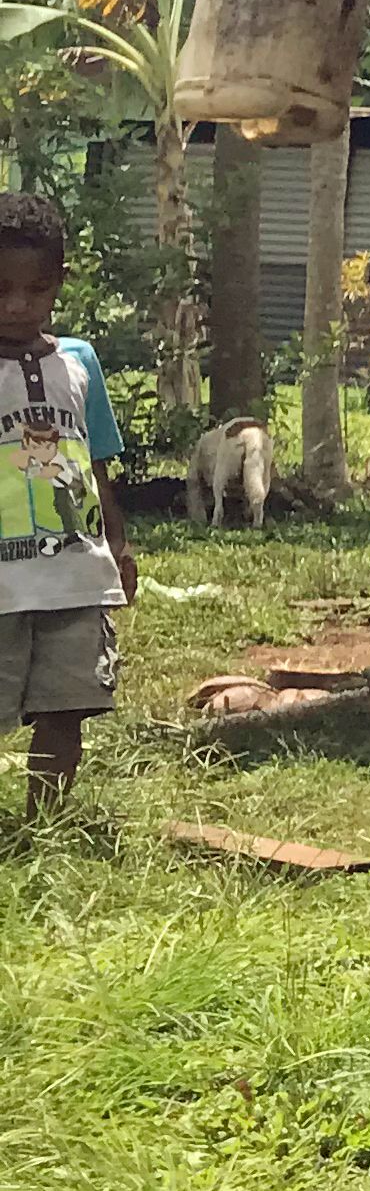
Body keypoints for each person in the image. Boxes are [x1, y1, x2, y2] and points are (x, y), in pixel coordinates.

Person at [0, 192, 134, 813]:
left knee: (66, 707)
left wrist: (120, 547)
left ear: (59, 284)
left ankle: (43, 824)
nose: (16, 306)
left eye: (36, 289)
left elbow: (97, 461)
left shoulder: (79, 362)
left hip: (75, 574)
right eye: (0, 290)